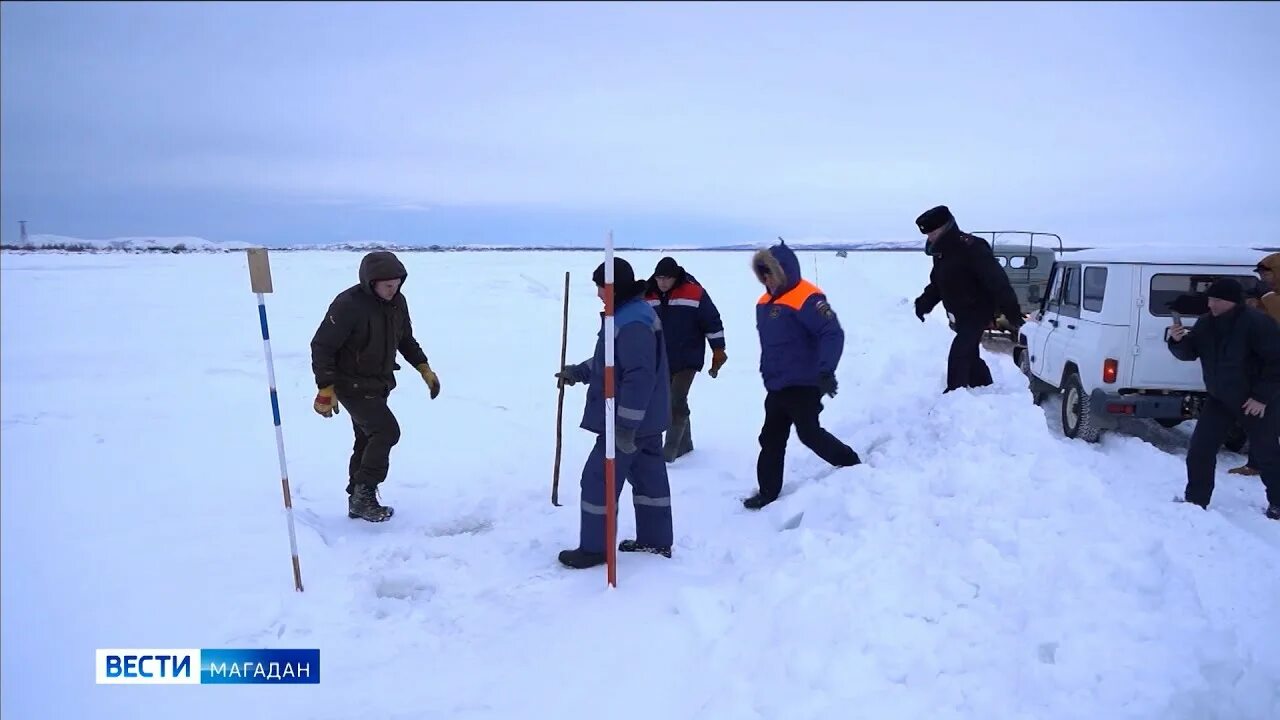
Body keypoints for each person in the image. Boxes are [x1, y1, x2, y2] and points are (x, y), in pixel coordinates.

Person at [554, 258, 675, 568]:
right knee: (649, 482)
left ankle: (595, 548)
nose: (597, 293)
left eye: (599, 286)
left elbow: (638, 376)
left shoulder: (631, 321)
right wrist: (579, 372)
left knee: (597, 480)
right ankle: (655, 540)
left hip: (624, 421)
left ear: (613, 288)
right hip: (644, 421)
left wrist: (625, 427)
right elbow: (611, 364)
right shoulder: (628, 314)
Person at [310, 251, 441, 522]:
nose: (394, 290)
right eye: (388, 286)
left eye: (397, 285)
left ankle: (357, 499)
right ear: (371, 283)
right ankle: (363, 495)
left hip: (379, 382)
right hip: (350, 384)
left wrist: (423, 367)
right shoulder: (348, 305)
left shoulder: (397, 302)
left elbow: (405, 339)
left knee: (367, 438)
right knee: (386, 432)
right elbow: (322, 345)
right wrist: (326, 387)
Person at [746, 240, 861, 510]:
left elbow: (832, 333)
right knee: (771, 438)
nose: (766, 279)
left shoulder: (807, 297)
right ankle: (767, 493)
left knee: (809, 433)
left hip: (805, 383)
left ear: (783, 271)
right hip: (777, 384)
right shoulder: (764, 302)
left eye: (770, 272)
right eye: (762, 273)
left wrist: (825, 370)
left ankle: (850, 463)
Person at [1167, 278, 1280, 520]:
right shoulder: (1206, 323)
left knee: (1267, 453)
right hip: (1221, 398)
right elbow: (1190, 353)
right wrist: (1178, 342)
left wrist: (1261, 397)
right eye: (1210, 299)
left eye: (1217, 300)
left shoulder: (1257, 323)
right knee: (1199, 449)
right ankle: (1196, 500)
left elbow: (1276, 362)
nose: (1211, 305)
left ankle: (1278, 503)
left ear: (1232, 302)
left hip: (1255, 401)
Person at [912, 205, 1025, 393]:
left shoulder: (973, 247)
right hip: (959, 312)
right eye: (927, 233)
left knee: (959, 352)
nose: (929, 237)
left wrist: (1012, 313)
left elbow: (998, 282)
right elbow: (938, 283)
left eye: (933, 231)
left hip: (977, 310)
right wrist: (923, 304)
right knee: (970, 354)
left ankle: (954, 394)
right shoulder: (941, 253)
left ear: (946, 226)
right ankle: (984, 385)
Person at [644, 256, 727, 462]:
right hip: (661, 358)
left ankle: (670, 452)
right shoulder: (647, 293)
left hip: (688, 357)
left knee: (675, 399)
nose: (662, 282)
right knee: (672, 400)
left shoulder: (694, 292)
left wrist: (718, 350)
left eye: (667, 278)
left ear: (676, 277)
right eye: (659, 278)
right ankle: (686, 445)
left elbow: (712, 321)